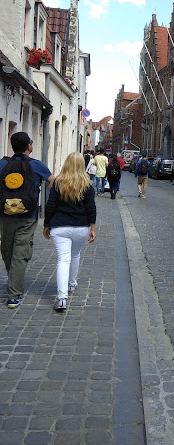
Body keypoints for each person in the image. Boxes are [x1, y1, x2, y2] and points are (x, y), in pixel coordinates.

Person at [0, 132, 55, 308]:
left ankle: (14, 282)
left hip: (5, 214)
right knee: (20, 252)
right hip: (28, 216)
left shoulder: (2, 164)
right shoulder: (37, 165)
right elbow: (53, 182)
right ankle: (14, 294)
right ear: (29, 147)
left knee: (7, 250)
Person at [43, 152, 96, 311]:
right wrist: (93, 227)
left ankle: (61, 298)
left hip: (59, 227)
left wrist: (46, 225)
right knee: (75, 254)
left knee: (63, 259)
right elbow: (91, 208)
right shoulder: (87, 184)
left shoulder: (58, 182)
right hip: (81, 227)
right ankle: (72, 285)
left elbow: (50, 205)